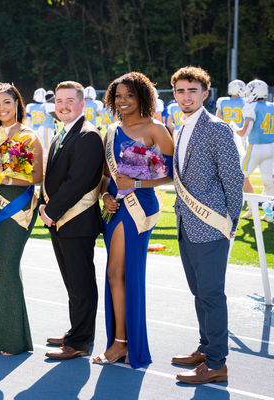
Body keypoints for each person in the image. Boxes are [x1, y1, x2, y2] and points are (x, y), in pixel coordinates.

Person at [169, 66, 244, 384]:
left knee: (212, 295)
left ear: (205, 94)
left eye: (192, 91)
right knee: (199, 293)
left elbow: (234, 179)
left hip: (211, 226)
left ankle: (216, 364)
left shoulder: (218, 128)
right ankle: (205, 349)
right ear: (174, 94)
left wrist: (231, 222)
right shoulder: (180, 127)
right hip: (186, 224)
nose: (186, 96)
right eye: (180, 91)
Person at [95, 73, 174, 369]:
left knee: (118, 274)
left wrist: (137, 184)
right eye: (118, 96)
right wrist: (106, 194)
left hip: (139, 206)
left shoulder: (156, 129)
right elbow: (106, 175)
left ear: (142, 96)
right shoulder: (111, 130)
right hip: (115, 206)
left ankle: (122, 344)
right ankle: (123, 342)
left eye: (129, 95)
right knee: (117, 274)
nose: (123, 101)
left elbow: (170, 175)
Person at [0, 82, 43, 355]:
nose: (1, 108)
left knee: (8, 265)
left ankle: (12, 341)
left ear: (17, 104)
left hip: (18, 208)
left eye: (6, 102)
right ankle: (2, 330)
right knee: (6, 267)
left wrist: (4, 178)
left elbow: (37, 176)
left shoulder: (28, 136)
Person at [40, 81, 103, 361]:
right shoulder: (63, 131)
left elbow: (77, 182)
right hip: (60, 220)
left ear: (82, 104)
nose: (63, 106)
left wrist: (51, 211)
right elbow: (52, 176)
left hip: (76, 221)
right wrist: (44, 207)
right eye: (59, 101)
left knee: (81, 284)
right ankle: (76, 331)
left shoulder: (88, 135)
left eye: (69, 101)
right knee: (72, 283)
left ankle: (80, 342)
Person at [236, 79, 274, 222]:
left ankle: (252, 208)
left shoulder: (251, 107)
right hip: (271, 147)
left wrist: (234, 128)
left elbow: (244, 132)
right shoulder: (271, 106)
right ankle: (269, 214)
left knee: (241, 176)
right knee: (268, 181)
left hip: (255, 148)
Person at [26, 88, 56, 154]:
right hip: (45, 128)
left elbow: (28, 121)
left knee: (36, 149)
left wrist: (28, 130)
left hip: (34, 129)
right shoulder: (47, 105)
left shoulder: (29, 106)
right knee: (46, 147)